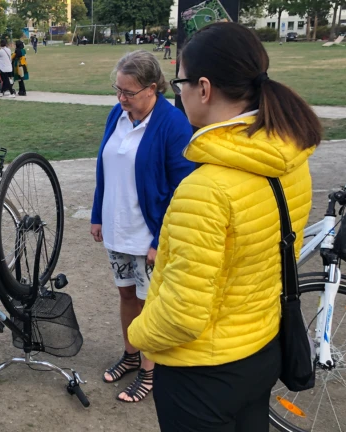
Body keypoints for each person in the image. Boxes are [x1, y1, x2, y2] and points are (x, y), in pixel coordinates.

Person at [128, 22, 322, 431]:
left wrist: (139, 333)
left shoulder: (205, 188)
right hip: (261, 349)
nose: (177, 95)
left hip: (202, 373)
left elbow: (182, 315)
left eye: (178, 82)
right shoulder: (289, 158)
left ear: (204, 88)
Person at [91, 50, 194, 404]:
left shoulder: (172, 124)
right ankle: (131, 355)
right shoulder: (117, 115)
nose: (121, 98)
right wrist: (97, 214)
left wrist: (159, 239)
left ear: (152, 89)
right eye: (117, 90)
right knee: (125, 295)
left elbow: (183, 190)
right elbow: (104, 165)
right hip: (117, 227)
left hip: (147, 233)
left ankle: (150, 372)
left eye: (128, 92)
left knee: (150, 304)